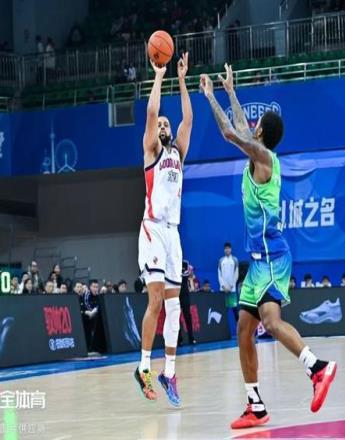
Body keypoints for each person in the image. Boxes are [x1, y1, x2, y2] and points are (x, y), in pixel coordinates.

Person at [200, 64, 336, 429]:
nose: (252, 126)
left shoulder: (263, 159)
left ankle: (317, 368)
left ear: (261, 132)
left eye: (256, 124)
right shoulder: (258, 154)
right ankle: (255, 405)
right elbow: (242, 130)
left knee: (272, 322)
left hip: (273, 257)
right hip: (258, 261)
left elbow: (230, 132)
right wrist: (231, 91)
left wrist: (211, 96)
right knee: (244, 327)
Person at [135, 52, 192, 407]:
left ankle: (168, 372)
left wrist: (182, 80)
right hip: (153, 230)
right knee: (155, 300)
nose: (164, 126)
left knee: (174, 309)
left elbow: (188, 119)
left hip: (174, 234)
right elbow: (152, 112)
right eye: (160, 124)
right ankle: (143, 367)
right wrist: (159, 75)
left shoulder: (179, 153)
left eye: (166, 125)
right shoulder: (151, 150)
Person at [218, 242, 239, 322]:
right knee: (223, 312)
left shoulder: (235, 260)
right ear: (224, 250)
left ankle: (239, 329)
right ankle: (221, 328)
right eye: (226, 249)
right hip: (223, 290)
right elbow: (219, 275)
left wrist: (231, 286)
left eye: (228, 248)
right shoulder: (221, 260)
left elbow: (236, 274)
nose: (227, 250)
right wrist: (223, 286)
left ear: (231, 249)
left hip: (232, 290)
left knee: (235, 311)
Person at [178, 260, 196, 345]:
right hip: (175, 294)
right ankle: (179, 339)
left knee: (187, 316)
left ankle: (191, 338)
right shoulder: (172, 263)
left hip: (185, 294)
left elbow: (189, 273)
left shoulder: (185, 263)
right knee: (176, 317)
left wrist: (179, 274)